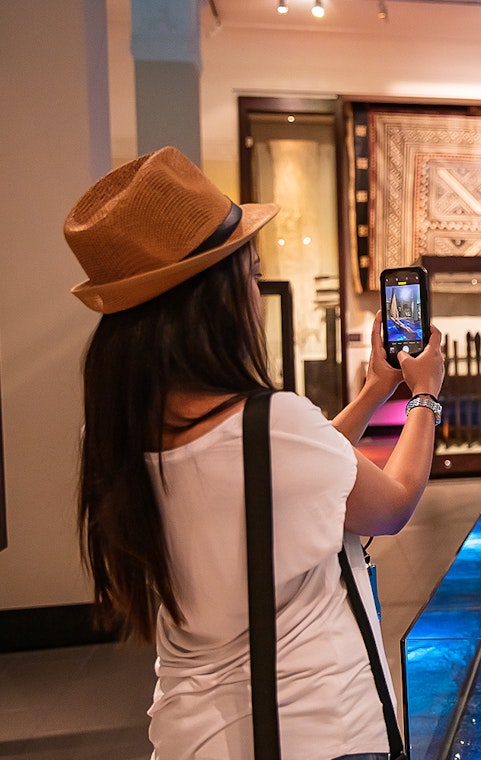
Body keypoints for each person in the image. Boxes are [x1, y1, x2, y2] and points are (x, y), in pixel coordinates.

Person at [64, 146, 445, 759]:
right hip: (317, 731)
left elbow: (288, 468)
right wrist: (425, 397)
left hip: (192, 736)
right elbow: (392, 505)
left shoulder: (117, 435)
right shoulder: (268, 425)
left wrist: (377, 390)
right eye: (249, 276)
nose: (254, 294)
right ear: (210, 302)